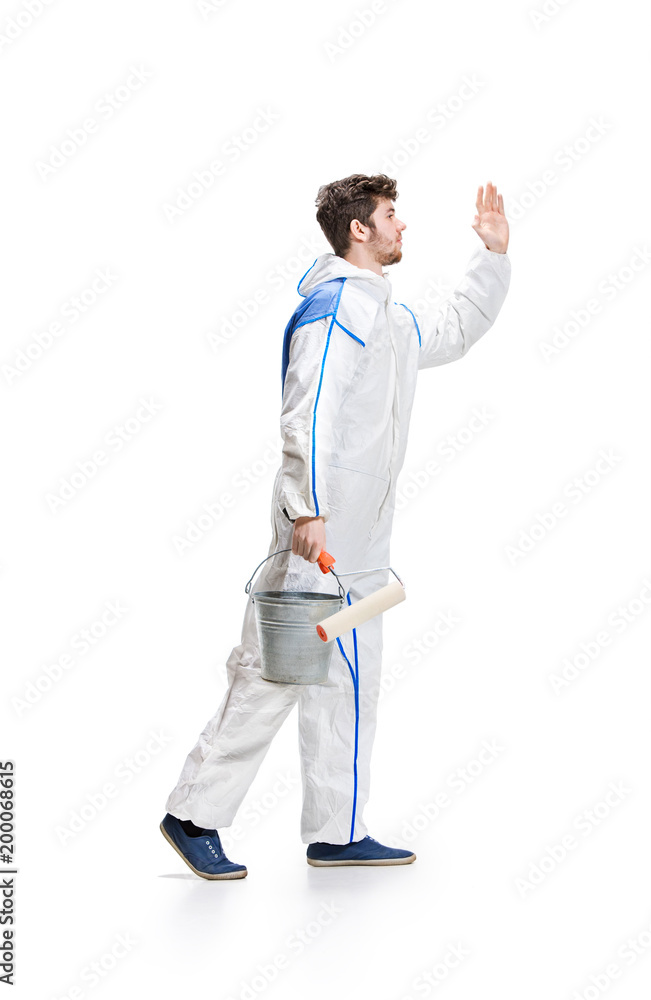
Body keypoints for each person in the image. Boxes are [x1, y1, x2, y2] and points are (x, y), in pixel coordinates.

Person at [160, 174, 511, 879]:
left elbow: (455, 330)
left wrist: (492, 258)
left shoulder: (386, 315)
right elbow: (308, 409)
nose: (401, 226)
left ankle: (337, 831)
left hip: (360, 546)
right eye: (390, 215)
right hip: (318, 539)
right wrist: (307, 508)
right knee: (273, 676)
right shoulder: (339, 304)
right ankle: (192, 813)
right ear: (359, 230)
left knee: (347, 681)